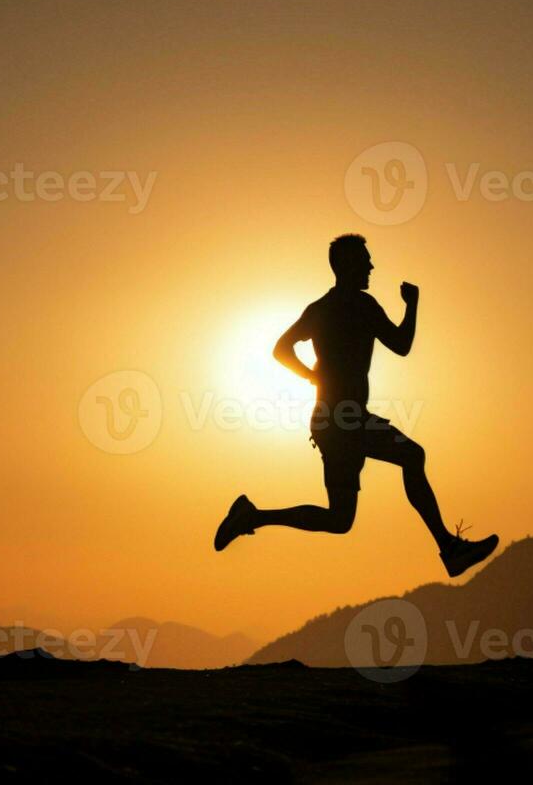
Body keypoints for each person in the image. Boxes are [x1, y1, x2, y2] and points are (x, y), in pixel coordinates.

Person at [214, 234, 499, 579]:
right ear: (346, 265)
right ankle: (450, 550)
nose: (371, 266)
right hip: (343, 420)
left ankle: (252, 516)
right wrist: (412, 304)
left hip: (331, 421)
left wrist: (312, 378)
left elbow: (281, 349)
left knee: (340, 519)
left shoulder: (322, 309)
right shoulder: (360, 306)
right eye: (365, 261)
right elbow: (402, 344)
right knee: (412, 455)